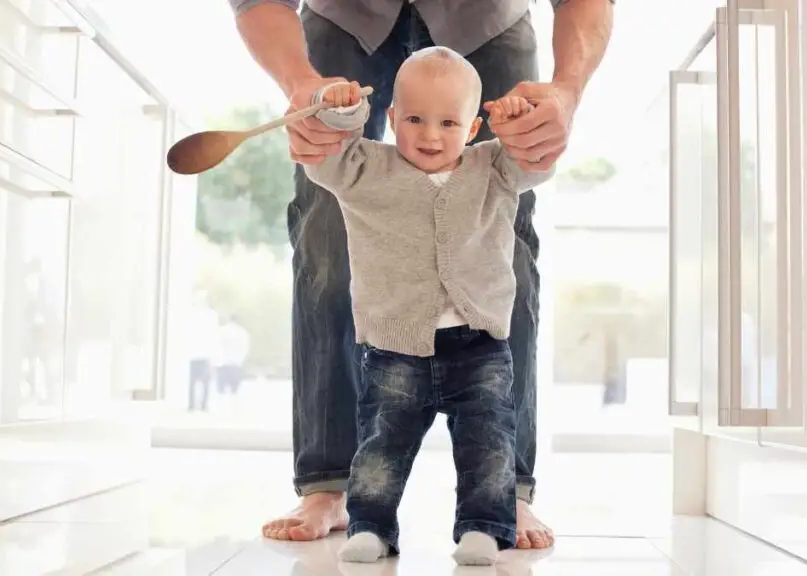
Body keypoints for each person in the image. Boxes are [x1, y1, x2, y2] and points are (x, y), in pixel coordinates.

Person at [228, 0, 614, 549]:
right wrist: (303, 82)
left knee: (505, 230)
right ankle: (329, 482)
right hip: (344, 14)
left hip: (488, 16)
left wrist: (567, 91)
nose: (430, 134)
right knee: (323, 229)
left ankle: (507, 493)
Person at [303, 49, 556, 565]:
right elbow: (322, 159)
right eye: (414, 119)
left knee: (488, 443)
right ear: (392, 118)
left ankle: (483, 527)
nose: (430, 135)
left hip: (479, 344)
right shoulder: (366, 168)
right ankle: (371, 524)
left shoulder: (495, 168)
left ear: (473, 126)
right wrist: (341, 112)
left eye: (448, 122)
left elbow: (535, 160)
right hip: (396, 345)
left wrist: (516, 124)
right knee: (381, 444)